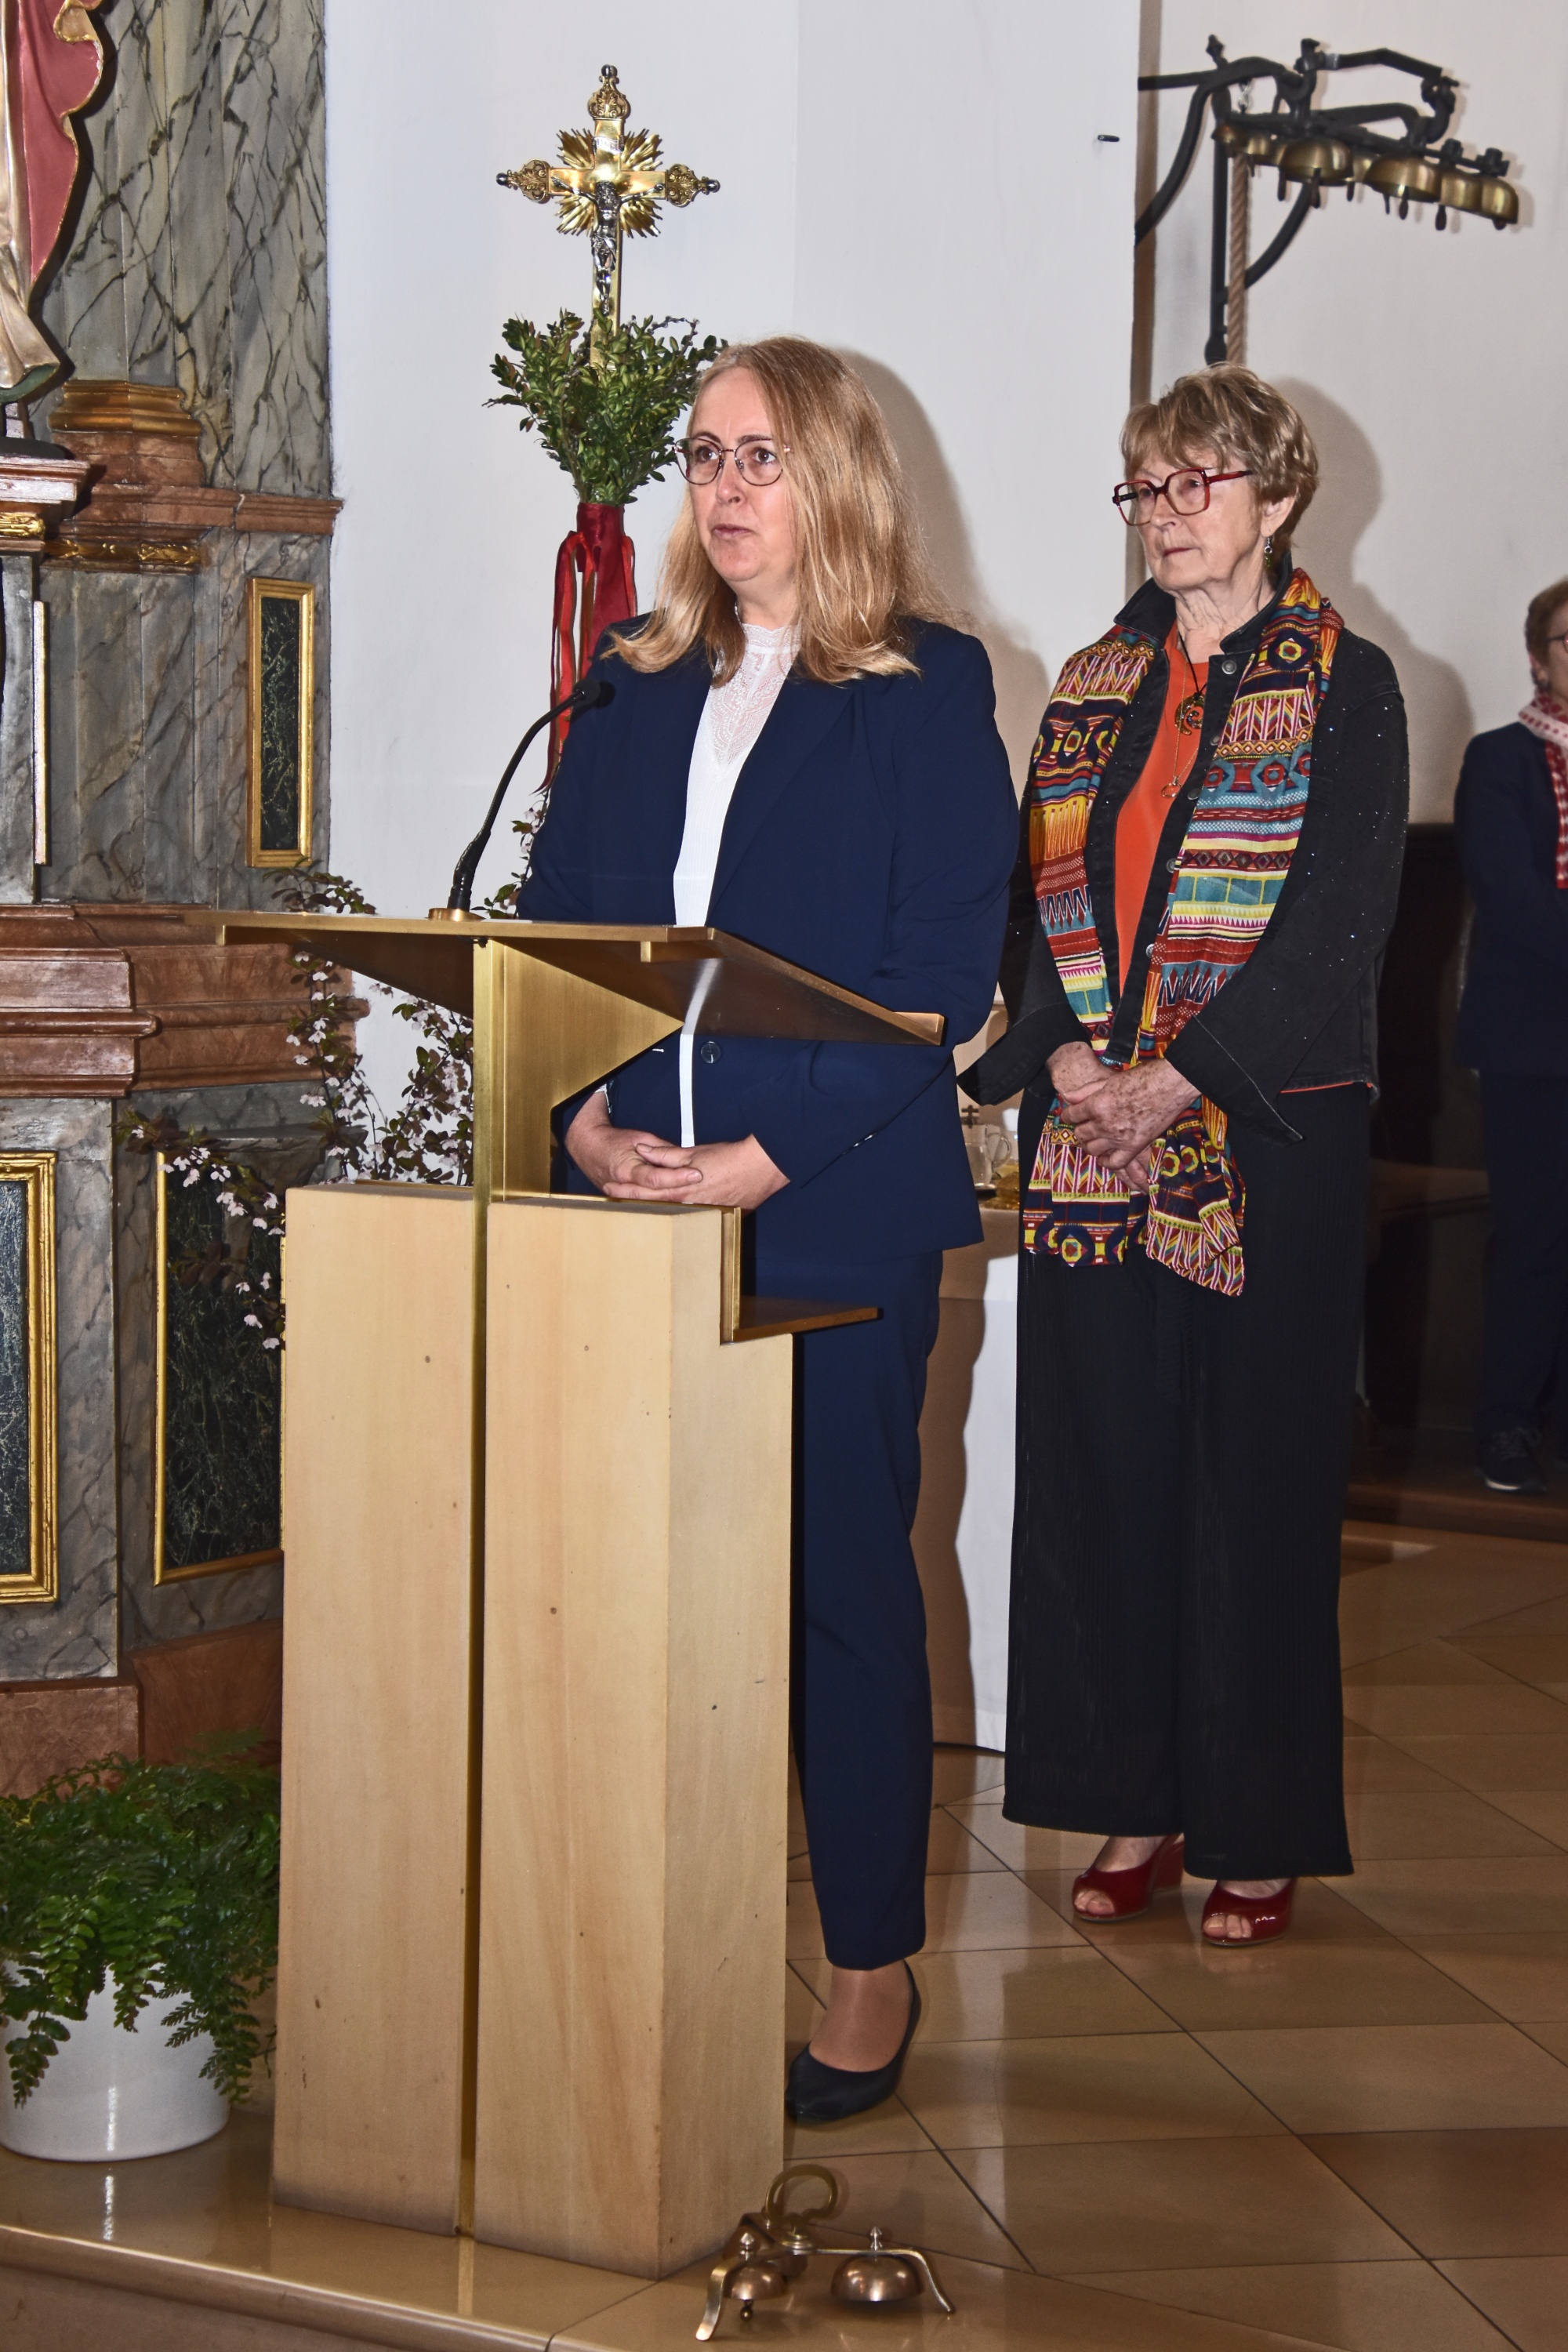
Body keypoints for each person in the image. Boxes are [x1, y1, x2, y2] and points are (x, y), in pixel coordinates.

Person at [517, 337, 1017, 2110]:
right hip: (630, 1205)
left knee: (834, 1598)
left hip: (826, 1219)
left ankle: (866, 1963)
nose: (725, 489)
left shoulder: (926, 685)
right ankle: (649, 1931)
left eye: (764, 456)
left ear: (839, 479)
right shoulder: (636, 678)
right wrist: (572, 1116)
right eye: (705, 455)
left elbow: (931, 986)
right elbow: (559, 931)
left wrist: (760, 1158)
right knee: (639, 1593)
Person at [965, 365, 1407, 1944]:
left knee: (1255, 1483)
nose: (1165, 514)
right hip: (1090, 1134)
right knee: (1103, 1473)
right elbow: (1029, 902)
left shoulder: (1346, 683)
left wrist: (1184, 1077)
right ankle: (1133, 1798)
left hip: (1266, 1140)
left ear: (1276, 498)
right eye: (1145, 486)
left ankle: (1255, 1822)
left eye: (1195, 484)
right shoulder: (1095, 680)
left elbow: (1335, 929)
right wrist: (1059, 1056)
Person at [1454, 577, 1568, 1494]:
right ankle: (1502, 1424)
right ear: (1538, 657)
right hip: (1532, 1040)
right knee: (1534, 1237)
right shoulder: (1499, 760)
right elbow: (1512, 895)